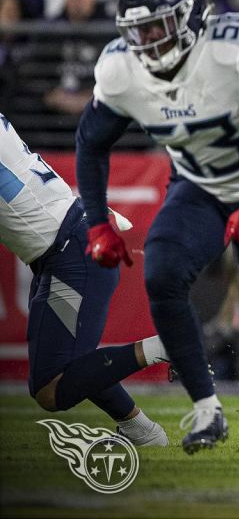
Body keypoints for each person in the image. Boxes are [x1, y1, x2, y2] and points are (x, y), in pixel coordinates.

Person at [76, 0, 239, 455]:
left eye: (159, 27)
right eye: (137, 30)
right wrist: (97, 223)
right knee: (161, 274)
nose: (147, 42)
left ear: (191, 16)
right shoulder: (122, 70)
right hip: (199, 185)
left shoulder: (230, 51)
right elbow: (91, 142)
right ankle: (207, 408)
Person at [1, 117, 169, 447]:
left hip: (72, 251)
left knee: (52, 388)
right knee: (66, 366)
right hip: (66, 247)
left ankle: (167, 346)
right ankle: (141, 430)